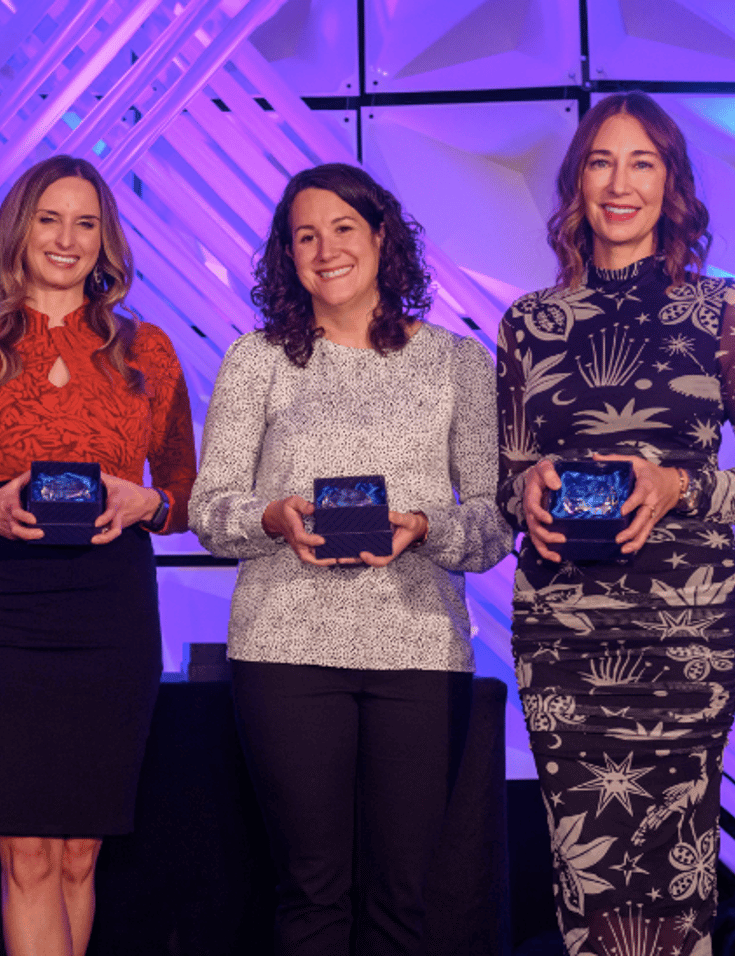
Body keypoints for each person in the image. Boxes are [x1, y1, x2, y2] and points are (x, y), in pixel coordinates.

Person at [496, 91, 735, 955]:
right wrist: (521, 493)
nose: (619, 183)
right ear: (576, 184)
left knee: (677, 869)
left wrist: (678, 486)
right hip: (560, 632)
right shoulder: (529, 324)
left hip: (685, 632)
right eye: (601, 162)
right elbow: (502, 482)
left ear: (672, 185)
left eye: (642, 163)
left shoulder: (723, 311)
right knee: (583, 870)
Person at [189, 163, 512, 955]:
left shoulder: (458, 363)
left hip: (420, 651)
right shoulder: (255, 360)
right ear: (286, 257)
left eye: (343, 229)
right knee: (311, 890)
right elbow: (208, 510)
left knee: (404, 900)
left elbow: (493, 525)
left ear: (381, 238)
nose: (326, 249)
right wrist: (273, 517)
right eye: (306, 235)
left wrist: (423, 527)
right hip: (284, 650)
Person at [0, 154, 196, 956]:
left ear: (105, 241)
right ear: (19, 230)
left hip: (113, 606)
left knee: (80, 851)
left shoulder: (153, 352)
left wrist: (154, 503)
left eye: (86, 222)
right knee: (25, 853)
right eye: (49, 218)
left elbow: (186, 496)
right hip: (5, 610)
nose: (67, 239)